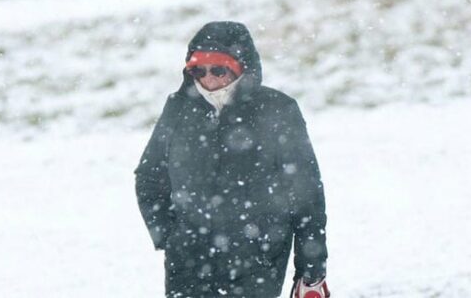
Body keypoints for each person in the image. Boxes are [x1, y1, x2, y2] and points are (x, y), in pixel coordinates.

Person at [135, 21, 330, 298]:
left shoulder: (277, 110)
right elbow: (150, 175)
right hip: (188, 263)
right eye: (198, 70)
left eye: (218, 69)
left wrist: (311, 271)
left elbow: (307, 196)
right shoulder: (178, 109)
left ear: (241, 68)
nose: (209, 78)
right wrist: (169, 235)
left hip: (256, 261)